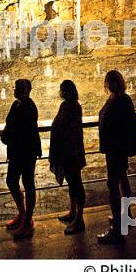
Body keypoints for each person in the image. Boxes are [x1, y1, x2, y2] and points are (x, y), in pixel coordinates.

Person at [97, 70, 135, 245]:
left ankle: (117, 231)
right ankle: (126, 215)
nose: (108, 84)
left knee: (112, 185)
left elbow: (121, 123)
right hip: (116, 148)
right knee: (122, 180)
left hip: (116, 149)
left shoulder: (119, 100)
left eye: (110, 81)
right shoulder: (119, 98)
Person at [1, 79, 42, 240]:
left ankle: (27, 220)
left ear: (27, 90)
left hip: (25, 152)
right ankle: (23, 214)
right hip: (18, 151)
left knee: (27, 183)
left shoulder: (29, 107)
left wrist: (7, 136)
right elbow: (10, 123)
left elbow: (22, 131)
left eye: (18, 88)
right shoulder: (16, 104)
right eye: (16, 87)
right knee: (12, 181)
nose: (15, 90)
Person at [49, 80, 86, 235]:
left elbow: (69, 130)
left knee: (76, 184)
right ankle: (73, 212)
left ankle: (79, 219)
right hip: (67, 152)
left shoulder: (73, 107)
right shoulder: (67, 106)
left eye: (64, 90)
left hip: (72, 152)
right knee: (73, 184)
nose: (62, 93)